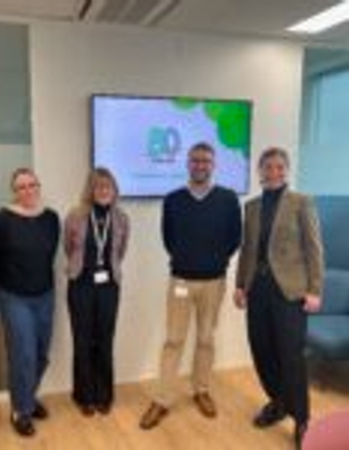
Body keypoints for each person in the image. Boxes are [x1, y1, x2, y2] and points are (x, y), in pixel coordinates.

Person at [140, 142, 242, 429]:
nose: (200, 165)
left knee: (206, 339)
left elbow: (234, 238)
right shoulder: (173, 200)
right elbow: (168, 238)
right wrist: (187, 259)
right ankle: (162, 400)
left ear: (213, 165)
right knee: (173, 340)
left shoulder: (228, 199)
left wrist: (214, 260)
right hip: (181, 281)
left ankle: (201, 390)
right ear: (187, 164)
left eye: (205, 161)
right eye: (195, 160)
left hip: (214, 281)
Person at [234, 147, 324, 449]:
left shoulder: (301, 202)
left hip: (290, 292)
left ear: (286, 169)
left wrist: (315, 290)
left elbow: (314, 249)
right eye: (268, 166)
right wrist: (240, 284)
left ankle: (302, 419)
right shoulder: (251, 207)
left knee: (291, 356)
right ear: (260, 170)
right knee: (262, 350)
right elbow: (247, 250)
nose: (274, 171)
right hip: (258, 290)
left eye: (279, 166)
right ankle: (279, 401)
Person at [0, 168, 60, 437]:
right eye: (21, 187)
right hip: (14, 297)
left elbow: (49, 254)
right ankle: (20, 410)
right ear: (14, 191)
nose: (28, 190)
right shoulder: (1, 219)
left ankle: (27, 397)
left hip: (45, 295)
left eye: (32, 185)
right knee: (23, 355)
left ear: (38, 186)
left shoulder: (51, 218)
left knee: (41, 354)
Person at [64, 167, 129, 416]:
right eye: (99, 186)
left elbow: (120, 251)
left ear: (114, 190)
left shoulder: (121, 218)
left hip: (109, 288)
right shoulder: (76, 215)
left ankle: (104, 395)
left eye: (108, 186)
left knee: (104, 341)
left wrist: (107, 269)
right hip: (80, 285)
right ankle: (84, 396)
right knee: (82, 341)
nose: (104, 191)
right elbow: (69, 248)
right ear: (90, 190)